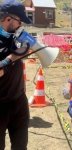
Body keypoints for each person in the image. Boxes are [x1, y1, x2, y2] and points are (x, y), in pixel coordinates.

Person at [0, 1, 32, 150]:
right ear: (8, 19)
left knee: (20, 146)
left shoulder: (15, 37)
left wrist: (7, 60)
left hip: (19, 101)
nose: (20, 26)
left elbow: (25, 49)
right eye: (19, 22)